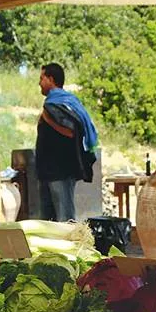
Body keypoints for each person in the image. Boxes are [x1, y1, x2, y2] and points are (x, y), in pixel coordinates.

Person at [35, 62, 98, 222]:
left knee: (65, 219)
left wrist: (48, 118)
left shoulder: (61, 104)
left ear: (51, 79)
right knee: (47, 222)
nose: (39, 83)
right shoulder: (52, 104)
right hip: (47, 172)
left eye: (42, 78)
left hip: (60, 171)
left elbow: (71, 131)